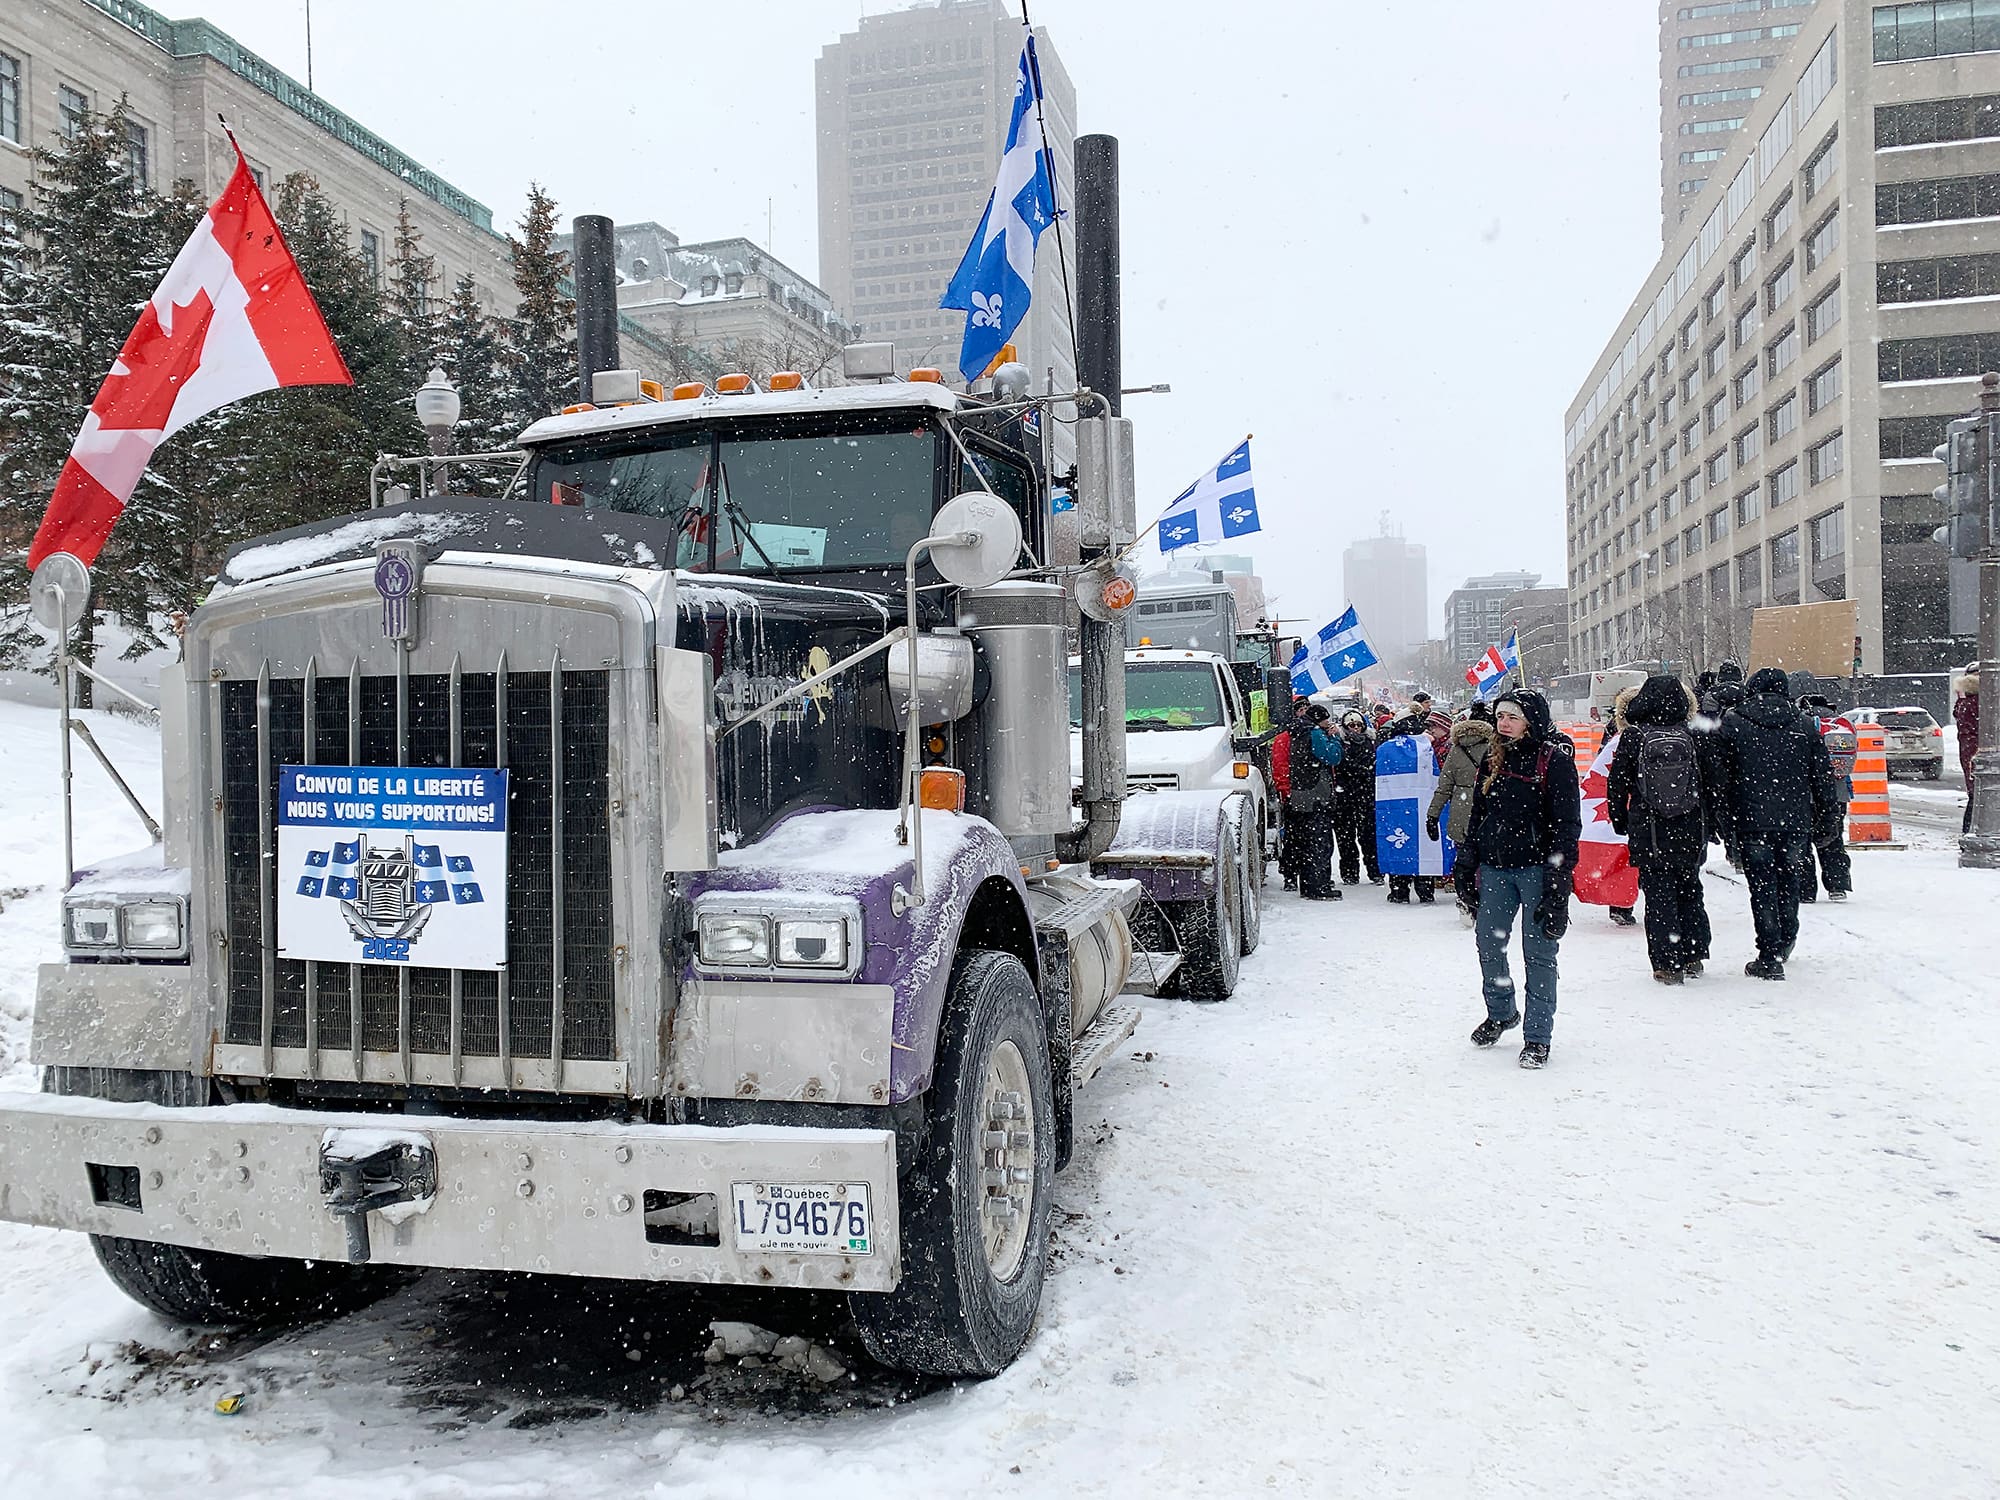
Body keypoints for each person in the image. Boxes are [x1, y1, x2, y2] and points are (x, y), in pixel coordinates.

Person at [1463, 690, 1581, 1069]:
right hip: (1497, 868)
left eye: (1512, 716)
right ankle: (1501, 1012)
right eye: (1500, 716)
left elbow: (1566, 825)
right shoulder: (1492, 757)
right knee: (1489, 945)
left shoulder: (1555, 762)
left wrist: (1558, 882)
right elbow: (1480, 812)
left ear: (1531, 719)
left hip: (1537, 871)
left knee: (1539, 955)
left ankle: (1537, 1037)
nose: (1504, 722)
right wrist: (1468, 858)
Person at [1714, 667, 1841, 980]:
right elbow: (1822, 777)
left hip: (1751, 819)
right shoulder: (1805, 725)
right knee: (1789, 880)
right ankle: (1786, 938)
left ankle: (1768, 951)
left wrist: (1723, 818)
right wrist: (1827, 816)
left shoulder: (1733, 722)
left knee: (1762, 885)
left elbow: (1722, 777)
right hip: (1795, 819)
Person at [1606, 675, 1713, 984]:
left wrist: (1620, 819)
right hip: (1690, 826)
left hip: (1649, 828)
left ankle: (1666, 963)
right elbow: (1712, 780)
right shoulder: (1693, 733)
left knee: (1658, 895)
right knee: (1690, 889)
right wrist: (1712, 820)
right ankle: (1693, 954)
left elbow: (1618, 783)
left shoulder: (1635, 735)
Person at [1427, 705, 1493, 924]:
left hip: (1461, 810)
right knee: (1486, 859)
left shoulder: (1456, 750)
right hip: (1487, 808)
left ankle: (1465, 898)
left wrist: (1432, 814)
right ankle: (1485, 898)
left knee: (1464, 859)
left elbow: (1444, 787)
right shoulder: (1495, 747)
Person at [1387, 709, 1453, 905]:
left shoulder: (1389, 748)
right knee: (1425, 843)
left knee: (1404, 843)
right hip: (1426, 802)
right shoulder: (1427, 746)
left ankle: (1400, 889)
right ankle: (1424, 889)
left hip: (1402, 804)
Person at [1796, 694, 1855, 903]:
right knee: (1833, 837)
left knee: (1803, 842)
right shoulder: (1842, 724)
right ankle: (1837, 885)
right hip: (1838, 792)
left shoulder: (1801, 723)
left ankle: (1806, 890)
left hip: (1807, 793)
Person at [1284, 703, 1343, 900]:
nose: (1329, 722)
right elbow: (1331, 757)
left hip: (1300, 795)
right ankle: (1319, 886)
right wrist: (1334, 739)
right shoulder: (1315, 733)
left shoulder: (1297, 732)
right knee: (1320, 843)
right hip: (1317, 794)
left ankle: (1308, 884)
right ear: (1320, 718)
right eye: (1326, 719)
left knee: (1305, 843)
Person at [1602, 685, 1641, 928]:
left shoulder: (1619, 735)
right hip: (1662, 807)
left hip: (1631, 807)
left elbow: (1608, 773)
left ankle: (1621, 904)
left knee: (1623, 858)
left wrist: (1616, 814)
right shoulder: (1676, 731)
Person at [1332, 709, 1382, 885]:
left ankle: (1375, 871)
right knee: (1345, 837)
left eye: (1358, 725)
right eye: (1351, 725)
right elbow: (1341, 766)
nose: (1355, 728)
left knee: (1369, 836)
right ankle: (1349, 872)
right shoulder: (1340, 743)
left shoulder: (1371, 742)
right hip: (1345, 796)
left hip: (1366, 795)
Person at [1271, 697, 1305, 890]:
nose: (1304, 712)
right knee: (1293, 838)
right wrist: (1286, 791)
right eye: (1300, 709)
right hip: (1294, 794)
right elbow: (1280, 767)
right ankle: (1290, 874)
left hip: (1304, 793)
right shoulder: (1285, 738)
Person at [1956, 666, 1980, 835]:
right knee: (1977, 798)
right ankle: (1970, 834)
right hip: (1977, 756)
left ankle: (1968, 834)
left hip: (1971, 756)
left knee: (1975, 797)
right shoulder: (1979, 704)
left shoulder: (1964, 704)